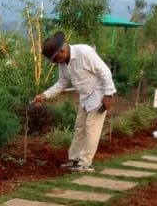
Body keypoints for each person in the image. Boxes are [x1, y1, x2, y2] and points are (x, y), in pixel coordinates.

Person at [33, 31, 115, 173]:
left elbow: (105, 72)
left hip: (99, 95)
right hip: (85, 98)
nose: (53, 62)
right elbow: (62, 82)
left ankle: (85, 163)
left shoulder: (85, 52)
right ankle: (74, 159)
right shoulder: (63, 63)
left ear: (62, 51)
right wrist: (45, 95)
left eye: (54, 59)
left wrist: (109, 94)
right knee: (80, 127)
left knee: (91, 128)